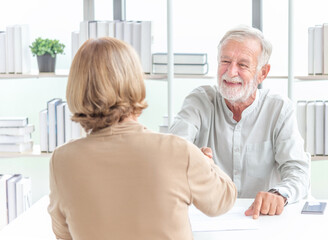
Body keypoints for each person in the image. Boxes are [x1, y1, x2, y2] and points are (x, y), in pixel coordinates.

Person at [48, 37, 237, 240]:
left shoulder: (62, 160)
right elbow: (223, 199)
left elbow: (64, 234)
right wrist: (207, 163)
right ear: (135, 82)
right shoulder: (178, 151)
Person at [169, 25, 310, 219]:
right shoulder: (199, 101)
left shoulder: (279, 109)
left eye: (243, 65)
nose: (231, 72)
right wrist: (191, 159)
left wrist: (279, 194)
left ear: (262, 73)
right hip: (208, 218)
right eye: (225, 61)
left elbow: (298, 171)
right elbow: (172, 150)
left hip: (262, 219)